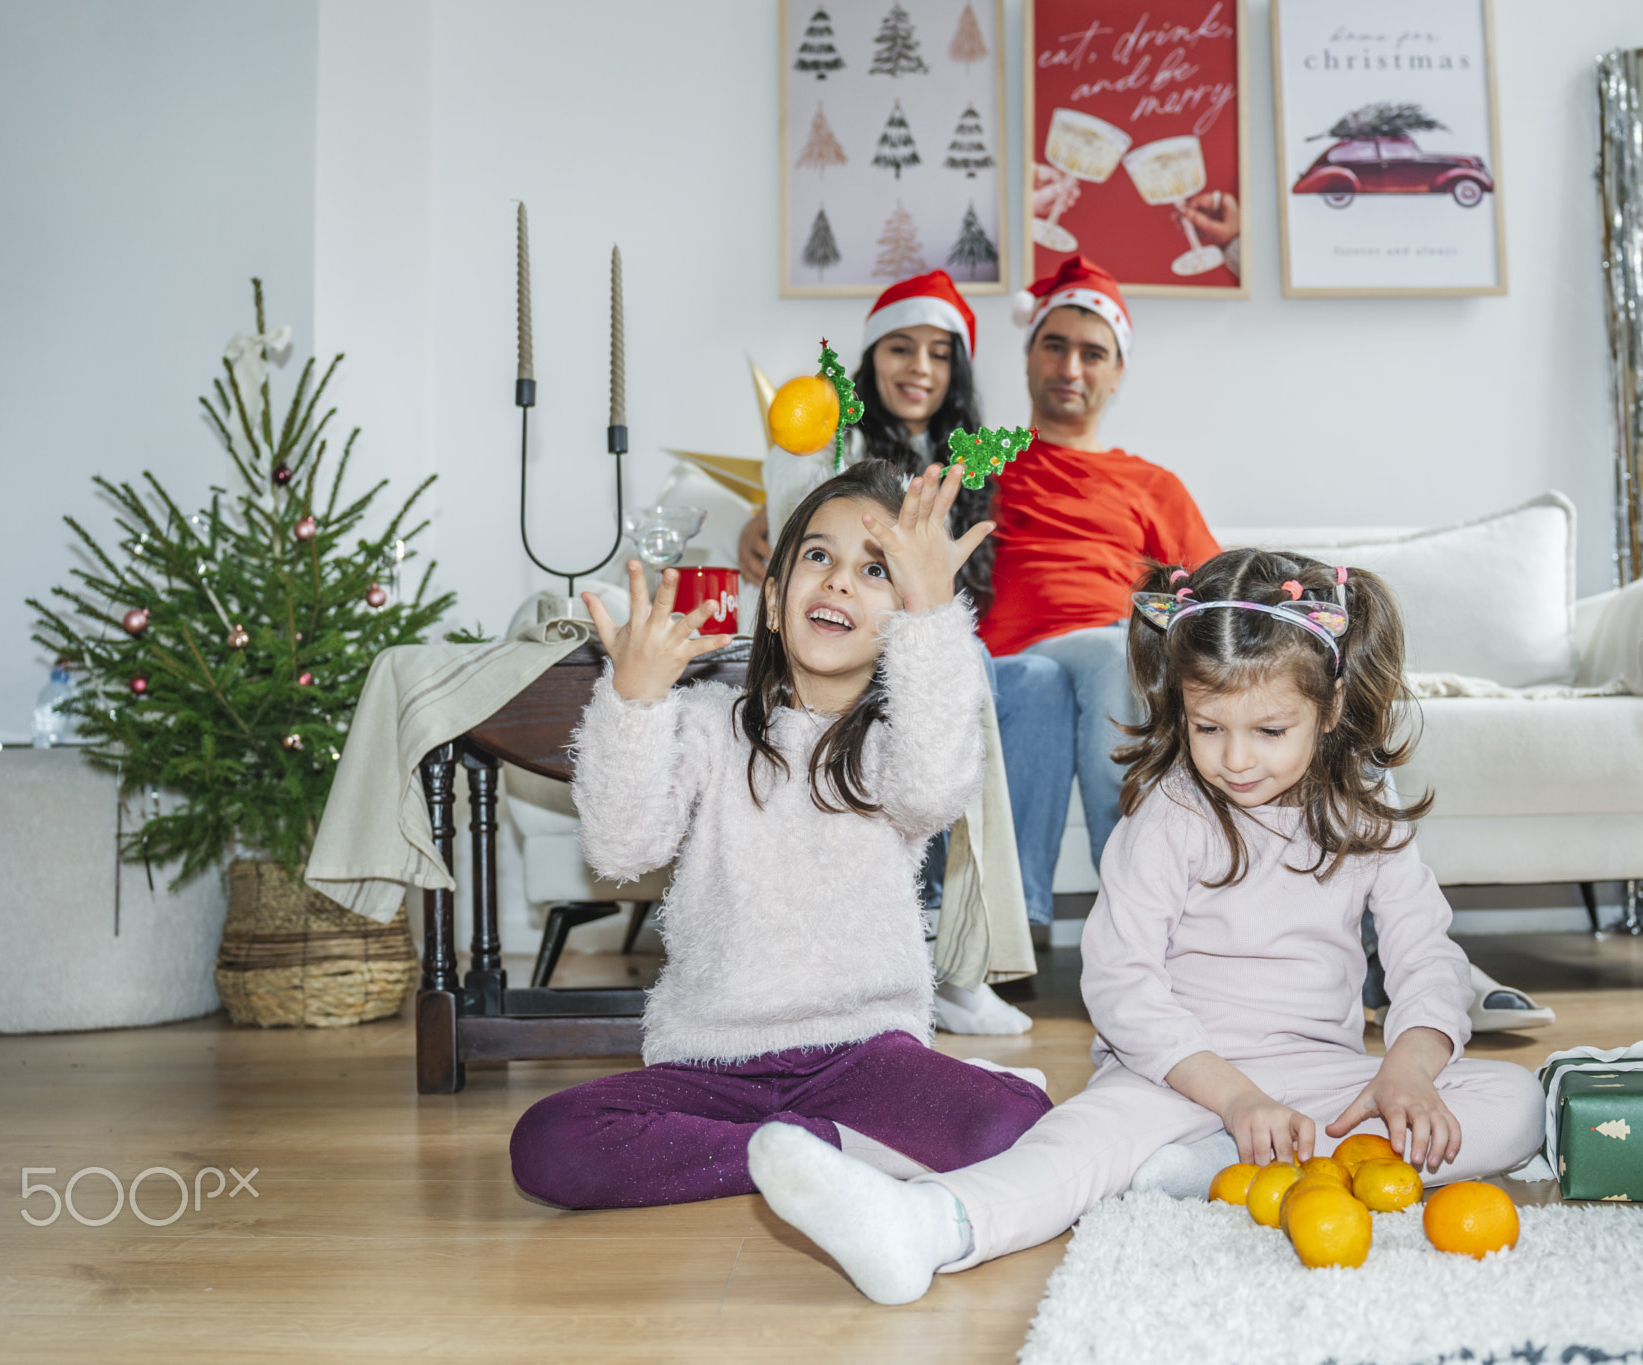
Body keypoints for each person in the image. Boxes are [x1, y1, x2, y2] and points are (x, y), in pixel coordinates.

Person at [741, 549, 1546, 1302]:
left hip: (1318, 1083)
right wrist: (1231, 1097)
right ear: (1180, 705)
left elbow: (1425, 958)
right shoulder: (1169, 814)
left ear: (1330, 707)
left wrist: (1406, 1070)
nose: (1235, 758)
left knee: (1516, 1104)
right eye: (1208, 726)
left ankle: (1211, 1168)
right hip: (1169, 1075)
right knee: (1072, 1148)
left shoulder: (1367, 808)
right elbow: (1123, 985)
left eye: (1269, 731)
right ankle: (930, 1225)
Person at [507, 462, 1052, 1209]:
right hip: (710, 1062)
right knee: (549, 1141)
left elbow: (935, 787)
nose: (837, 583)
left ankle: (807, 1146)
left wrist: (931, 617)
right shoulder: (704, 722)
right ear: (771, 603)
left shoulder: (895, 745)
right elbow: (622, 848)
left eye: (875, 570)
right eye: (818, 557)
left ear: (900, 617)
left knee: (1018, 1125)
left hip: (863, 1056)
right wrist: (634, 701)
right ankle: (818, 1152)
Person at [744, 272, 1076, 969]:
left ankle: (992, 938)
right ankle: (929, 930)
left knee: (1040, 680)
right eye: (900, 348)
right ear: (870, 360)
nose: (920, 368)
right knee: (969, 670)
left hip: (949, 647)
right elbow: (795, 531)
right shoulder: (834, 439)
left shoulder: (969, 459)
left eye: (938, 352)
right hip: (870, 653)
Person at [983, 255, 1221, 870]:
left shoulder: (1151, 484)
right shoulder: (981, 464)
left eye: (1092, 353)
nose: (1069, 368)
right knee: (1118, 655)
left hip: (1121, 650)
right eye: (1054, 347)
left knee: (1125, 654)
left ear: (1116, 374)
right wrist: (773, 518)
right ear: (1028, 356)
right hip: (1013, 658)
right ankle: (1129, 895)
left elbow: (1216, 594)